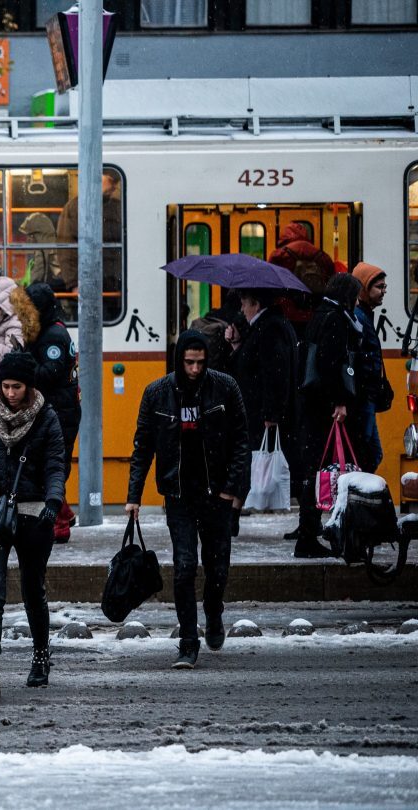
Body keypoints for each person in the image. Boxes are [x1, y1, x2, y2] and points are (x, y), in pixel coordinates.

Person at [127, 330, 250, 669]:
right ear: (179, 360)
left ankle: (213, 612)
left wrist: (231, 489)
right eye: (189, 362)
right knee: (183, 568)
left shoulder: (225, 387)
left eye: (200, 362)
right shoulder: (158, 393)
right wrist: (133, 496)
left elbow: (242, 439)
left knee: (217, 569)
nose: (195, 369)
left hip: (216, 496)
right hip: (179, 495)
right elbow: (143, 447)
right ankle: (187, 642)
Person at [0, 351, 68, 702]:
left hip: (33, 511)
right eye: (5, 386)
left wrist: (53, 503)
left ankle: (41, 656)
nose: (10, 393)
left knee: (31, 589)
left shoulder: (46, 418)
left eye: (17, 387)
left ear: (29, 386)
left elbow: (56, 464)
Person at [293, 273, 365, 557]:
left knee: (315, 469)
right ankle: (311, 534)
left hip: (311, 404)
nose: (357, 300)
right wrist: (339, 400)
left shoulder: (319, 314)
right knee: (323, 469)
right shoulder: (335, 318)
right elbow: (329, 362)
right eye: (355, 295)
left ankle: (309, 531)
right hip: (323, 406)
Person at [24, 283, 80, 541]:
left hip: (59, 412)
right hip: (60, 409)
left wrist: (23, 364)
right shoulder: (50, 331)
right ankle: (64, 513)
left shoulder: (52, 337)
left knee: (52, 467)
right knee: (51, 464)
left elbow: (49, 374)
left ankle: (59, 528)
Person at [228, 288, 300, 484]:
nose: (242, 310)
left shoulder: (270, 328)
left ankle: (264, 494)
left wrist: (271, 414)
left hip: (262, 412)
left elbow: (274, 373)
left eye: (244, 303)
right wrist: (237, 345)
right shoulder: (269, 324)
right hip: (262, 410)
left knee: (266, 459)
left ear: (256, 304)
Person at [350, 263, 392, 473]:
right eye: (379, 287)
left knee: (371, 453)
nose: (383, 291)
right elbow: (363, 359)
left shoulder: (363, 315)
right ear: (364, 289)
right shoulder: (360, 317)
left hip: (367, 396)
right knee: (368, 452)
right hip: (365, 397)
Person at [268, 222, 335, 329]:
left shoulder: (279, 255)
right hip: (315, 312)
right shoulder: (322, 256)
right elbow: (331, 282)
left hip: (287, 312)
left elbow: (270, 285)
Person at [18, 213, 66, 292]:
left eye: (30, 235)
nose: (28, 239)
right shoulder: (46, 251)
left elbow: (35, 279)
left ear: (38, 235)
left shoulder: (46, 253)